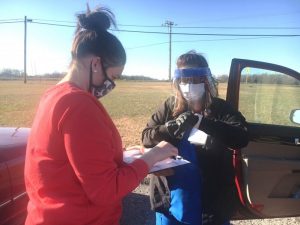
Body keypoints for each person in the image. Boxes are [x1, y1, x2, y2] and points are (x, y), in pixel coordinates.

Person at [24, 5, 178, 225]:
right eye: (113, 76)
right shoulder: (79, 104)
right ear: (96, 63)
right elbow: (106, 191)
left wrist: (121, 156)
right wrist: (151, 157)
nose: (111, 85)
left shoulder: (53, 95)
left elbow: (75, 161)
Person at [141, 50, 249, 225]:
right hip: (170, 195)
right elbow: (146, 137)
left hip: (212, 198)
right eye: (184, 80)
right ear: (178, 82)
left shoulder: (221, 108)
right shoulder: (169, 107)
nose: (189, 85)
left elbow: (241, 136)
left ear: (206, 80)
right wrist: (167, 129)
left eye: (195, 79)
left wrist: (201, 122)